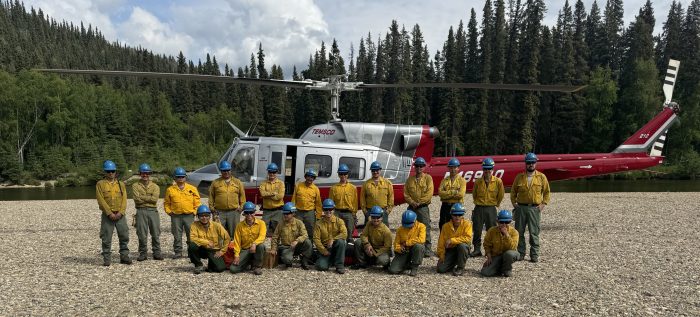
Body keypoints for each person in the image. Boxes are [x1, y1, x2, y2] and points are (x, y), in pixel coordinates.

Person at [510, 152, 550, 263]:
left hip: (534, 209)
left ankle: (534, 255)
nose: (531, 164)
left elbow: (547, 192)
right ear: (525, 163)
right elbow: (513, 192)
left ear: (536, 163)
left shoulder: (541, 177)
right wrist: (514, 204)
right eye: (529, 162)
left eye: (533, 162)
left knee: (534, 232)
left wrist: (543, 205)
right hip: (521, 208)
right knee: (519, 232)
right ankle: (521, 253)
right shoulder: (519, 177)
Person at [96, 160, 130, 266]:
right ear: (105, 172)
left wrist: (121, 212)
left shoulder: (121, 184)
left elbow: (124, 199)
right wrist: (109, 213)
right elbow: (101, 200)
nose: (111, 173)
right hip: (107, 216)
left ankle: (124, 256)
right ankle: (107, 258)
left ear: (115, 171)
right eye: (108, 171)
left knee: (124, 236)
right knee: (106, 237)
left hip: (120, 215)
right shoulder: (100, 184)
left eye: (112, 171)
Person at [164, 167, 201, 259]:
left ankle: (191, 251)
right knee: (177, 234)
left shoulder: (192, 188)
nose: (180, 179)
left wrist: (194, 212)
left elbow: (197, 201)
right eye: (178, 177)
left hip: (189, 215)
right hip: (175, 216)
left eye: (182, 177)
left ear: (185, 177)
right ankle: (178, 252)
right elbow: (166, 203)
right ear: (175, 178)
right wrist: (169, 212)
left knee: (191, 234)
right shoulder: (170, 189)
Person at [470, 157, 505, 257]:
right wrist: (479, 203)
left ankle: (491, 250)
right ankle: (477, 249)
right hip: (479, 208)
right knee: (477, 229)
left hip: (491, 208)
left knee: (492, 230)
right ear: (483, 169)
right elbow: (474, 194)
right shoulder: (478, 182)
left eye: (489, 169)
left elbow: (501, 195)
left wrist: (495, 204)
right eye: (485, 169)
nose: (487, 171)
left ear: (492, 169)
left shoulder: (498, 181)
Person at [403, 157, 435, 257]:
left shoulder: (428, 178)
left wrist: (419, 203)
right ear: (414, 167)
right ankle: (409, 247)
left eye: (421, 166)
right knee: (409, 227)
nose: (419, 168)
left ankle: (427, 250)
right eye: (417, 166)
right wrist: (412, 202)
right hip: (412, 207)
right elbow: (406, 193)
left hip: (423, 208)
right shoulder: (410, 180)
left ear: (424, 167)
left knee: (425, 228)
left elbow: (429, 193)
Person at [132, 163, 163, 261]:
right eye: (143, 173)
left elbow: (154, 200)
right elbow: (137, 200)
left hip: (153, 211)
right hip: (140, 211)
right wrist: (149, 198)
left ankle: (157, 252)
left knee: (155, 232)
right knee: (141, 233)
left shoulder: (156, 186)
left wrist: (143, 198)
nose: (145, 175)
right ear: (140, 174)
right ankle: (143, 253)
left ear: (149, 173)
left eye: (147, 173)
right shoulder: (135, 185)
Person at [208, 161, 245, 238]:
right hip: (219, 212)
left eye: (228, 170)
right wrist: (212, 209)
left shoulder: (237, 182)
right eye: (224, 170)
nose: (226, 172)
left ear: (231, 170)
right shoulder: (215, 183)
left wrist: (241, 207)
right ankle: (220, 249)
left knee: (235, 234)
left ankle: (233, 249)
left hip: (234, 212)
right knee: (218, 233)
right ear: (221, 171)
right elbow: (211, 196)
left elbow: (242, 196)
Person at [270, 202, 313, 270]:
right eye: (284, 213)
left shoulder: (299, 223)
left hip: (297, 246)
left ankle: (304, 260)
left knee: (308, 242)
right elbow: (275, 237)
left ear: (293, 213)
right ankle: (288, 260)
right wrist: (273, 248)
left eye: (287, 213)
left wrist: (297, 241)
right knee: (287, 260)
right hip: (287, 247)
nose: (285, 215)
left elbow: (305, 235)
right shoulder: (280, 224)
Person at [188, 205, 230, 274]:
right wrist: (206, 242)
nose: (204, 218)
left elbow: (227, 238)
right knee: (192, 246)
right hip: (202, 249)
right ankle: (198, 265)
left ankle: (211, 264)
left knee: (220, 268)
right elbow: (192, 238)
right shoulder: (194, 225)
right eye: (201, 216)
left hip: (214, 250)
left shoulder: (216, 225)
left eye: (206, 215)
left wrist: (222, 251)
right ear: (198, 216)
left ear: (210, 216)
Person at [229, 202, 267, 275]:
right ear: (244, 214)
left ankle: (257, 266)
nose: (249, 215)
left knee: (261, 246)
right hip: (245, 250)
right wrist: (236, 255)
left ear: (254, 213)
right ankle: (247, 262)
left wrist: (254, 243)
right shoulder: (239, 226)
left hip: (256, 249)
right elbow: (237, 242)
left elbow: (262, 236)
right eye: (247, 213)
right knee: (233, 269)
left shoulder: (261, 223)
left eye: (251, 212)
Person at [436, 203, 473, 276]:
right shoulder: (445, 226)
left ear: (463, 215)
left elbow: (468, 238)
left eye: (460, 215)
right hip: (451, 250)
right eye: (455, 215)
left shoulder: (467, 224)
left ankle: (460, 267)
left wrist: (452, 240)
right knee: (441, 269)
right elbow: (441, 243)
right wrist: (441, 256)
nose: (457, 217)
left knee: (462, 246)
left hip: (462, 248)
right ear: (451, 215)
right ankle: (454, 261)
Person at [481, 210, 519, 277]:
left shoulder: (514, 232)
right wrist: (489, 256)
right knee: (485, 272)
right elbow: (486, 245)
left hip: (510, 254)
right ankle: (499, 268)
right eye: (501, 222)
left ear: (510, 222)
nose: (504, 224)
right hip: (496, 256)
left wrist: (507, 235)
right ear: (497, 222)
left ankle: (507, 269)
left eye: (507, 222)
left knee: (509, 254)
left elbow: (513, 247)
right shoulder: (491, 231)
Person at [313, 199, 347, 274]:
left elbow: (344, 234)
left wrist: (333, 240)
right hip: (325, 249)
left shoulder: (339, 221)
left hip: (336, 247)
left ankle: (339, 266)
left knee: (341, 241)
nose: (328, 211)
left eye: (330, 209)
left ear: (334, 210)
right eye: (326, 209)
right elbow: (316, 239)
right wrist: (323, 251)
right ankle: (330, 260)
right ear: (323, 210)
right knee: (321, 267)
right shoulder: (318, 223)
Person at [388, 210, 426, 276]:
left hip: (414, 249)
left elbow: (421, 240)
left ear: (415, 220)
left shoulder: (421, 226)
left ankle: (414, 267)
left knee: (419, 246)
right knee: (393, 270)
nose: (408, 226)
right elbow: (396, 244)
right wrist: (400, 249)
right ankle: (407, 264)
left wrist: (406, 243)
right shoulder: (400, 229)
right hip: (404, 251)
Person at [329, 163, 358, 242]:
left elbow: (355, 202)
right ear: (338, 175)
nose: (343, 176)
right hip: (337, 213)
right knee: (336, 231)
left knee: (349, 233)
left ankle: (348, 248)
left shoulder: (353, 188)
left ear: (347, 174)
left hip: (348, 213)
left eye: (345, 173)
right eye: (341, 174)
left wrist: (354, 214)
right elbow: (330, 203)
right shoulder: (333, 188)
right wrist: (331, 214)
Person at [291, 168, 322, 241]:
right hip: (298, 212)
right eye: (308, 176)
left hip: (310, 213)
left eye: (312, 177)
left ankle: (309, 249)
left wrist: (318, 216)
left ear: (314, 178)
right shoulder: (298, 186)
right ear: (305, 177)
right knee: (296, 230)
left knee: (310, 231)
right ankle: (297, 248)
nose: (310, 178)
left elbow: (318, 203)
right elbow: (293, 200)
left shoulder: (316, 189)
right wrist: (292, 212)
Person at [360, 161, 394, 226]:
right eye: (373, 170)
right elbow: (362, 199)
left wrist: (387, 211)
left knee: (383, 232)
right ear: (371, 171)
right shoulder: (366, 184)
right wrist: (366, 212)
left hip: (382, 212)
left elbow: (391, 198)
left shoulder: (387, 183)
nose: (375, 172)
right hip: (370, 212)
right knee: (369, 232)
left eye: (377, 170)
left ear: (380, 170)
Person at [438, 158, 466, 233]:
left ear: (458, 168)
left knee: (457, 226)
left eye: (455, 167)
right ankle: (443, 243)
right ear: (448, 168)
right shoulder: (444, 180)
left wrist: (446, 194)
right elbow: (440, 193)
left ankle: (455, 243)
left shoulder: (462, 180)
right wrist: (454, 192)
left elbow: (461, 194)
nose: (453, 169)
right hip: (445, 206)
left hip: (457, 206)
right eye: (451, 167)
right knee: (443, 225)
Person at [259, 163, 285, 235]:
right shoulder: (263, 183)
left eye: (274, 172)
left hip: (278, 211)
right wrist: (273, 193)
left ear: (276, 172)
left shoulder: (281, 183)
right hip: (267, 211)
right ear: (268, 172)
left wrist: (267, 195)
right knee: (263, 231)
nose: (272, 174)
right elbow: (262, 194)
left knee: (278, 232)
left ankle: (277, 245)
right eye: (270, 172)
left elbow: (280, 196)